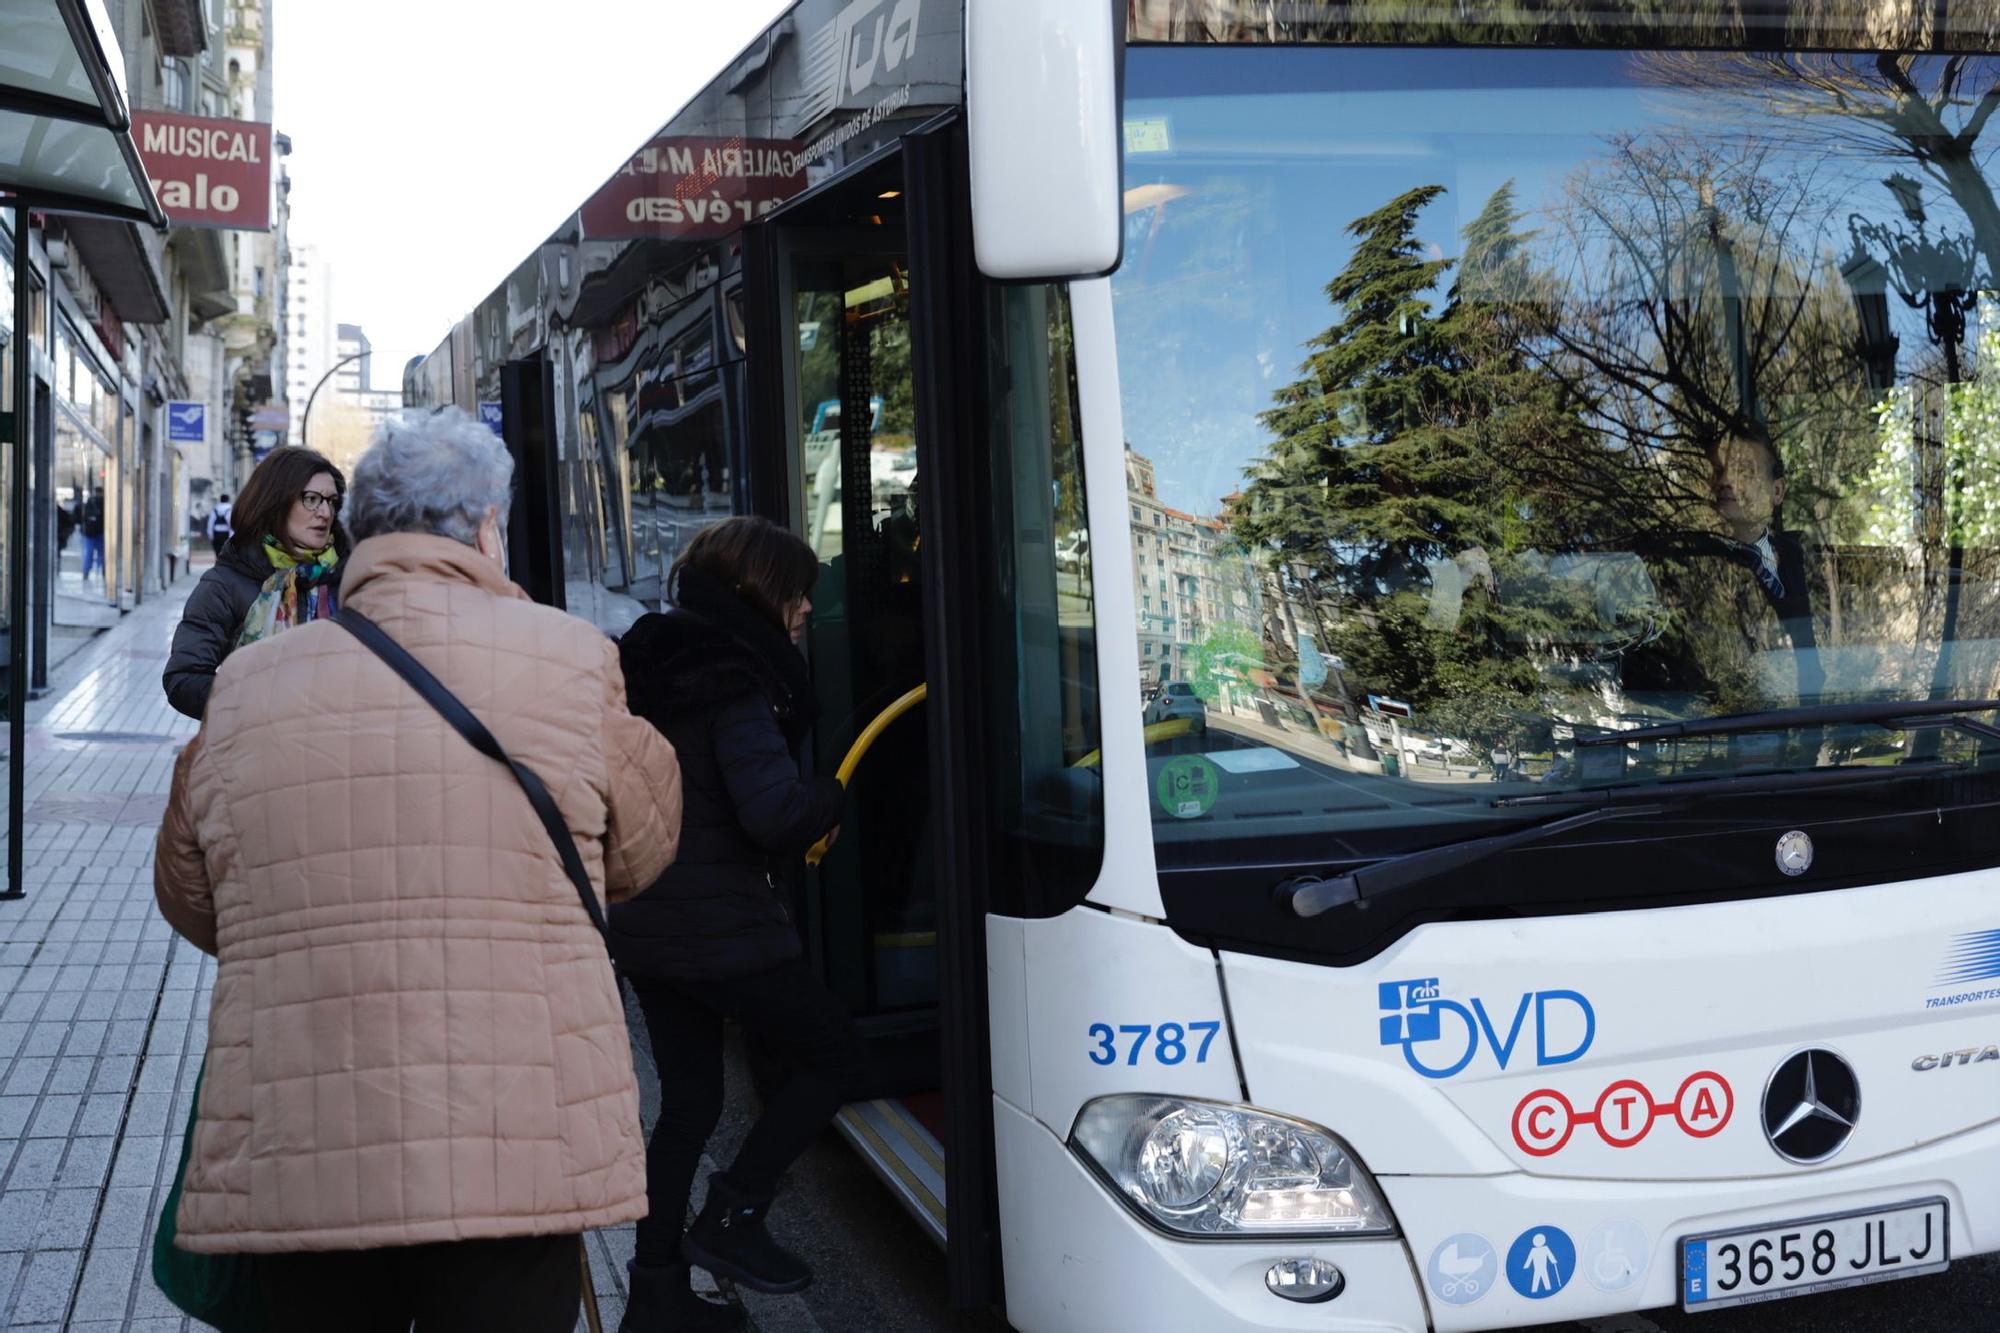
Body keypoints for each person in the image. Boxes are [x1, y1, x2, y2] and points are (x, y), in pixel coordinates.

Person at [152, 407, 684, 1333]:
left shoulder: (246, 685)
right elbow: (638, 849)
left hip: (306, 1147)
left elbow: (194, 898)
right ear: (485, 528)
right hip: (515, 1144)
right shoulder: (572, 659)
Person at [613, 516, 859, 1331]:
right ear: (765, 591)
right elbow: (774, 812)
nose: (802, 614)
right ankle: (735, 1214)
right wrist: (830, 796)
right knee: (834, 1055)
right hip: (719, 927)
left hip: (646, 918)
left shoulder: (648, 658)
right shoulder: (735, 677)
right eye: (797, 597)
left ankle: (656, 1294)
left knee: (688, 1104)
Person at [163, 450, 348, 719]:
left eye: (332, 501)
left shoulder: (349, 577)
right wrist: (262, 703)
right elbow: (184, 679)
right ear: (276, 502)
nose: (325, 512)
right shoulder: (225, 584)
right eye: (311, 499)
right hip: (256, 752)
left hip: (339, 752)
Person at [78, 489, 104, 583]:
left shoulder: (90, 502)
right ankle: (100, 572)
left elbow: (84, 517)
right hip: (96, 533)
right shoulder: (99, 503)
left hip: (92, 533)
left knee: (90, 554)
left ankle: (87, 572)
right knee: (98, 554)